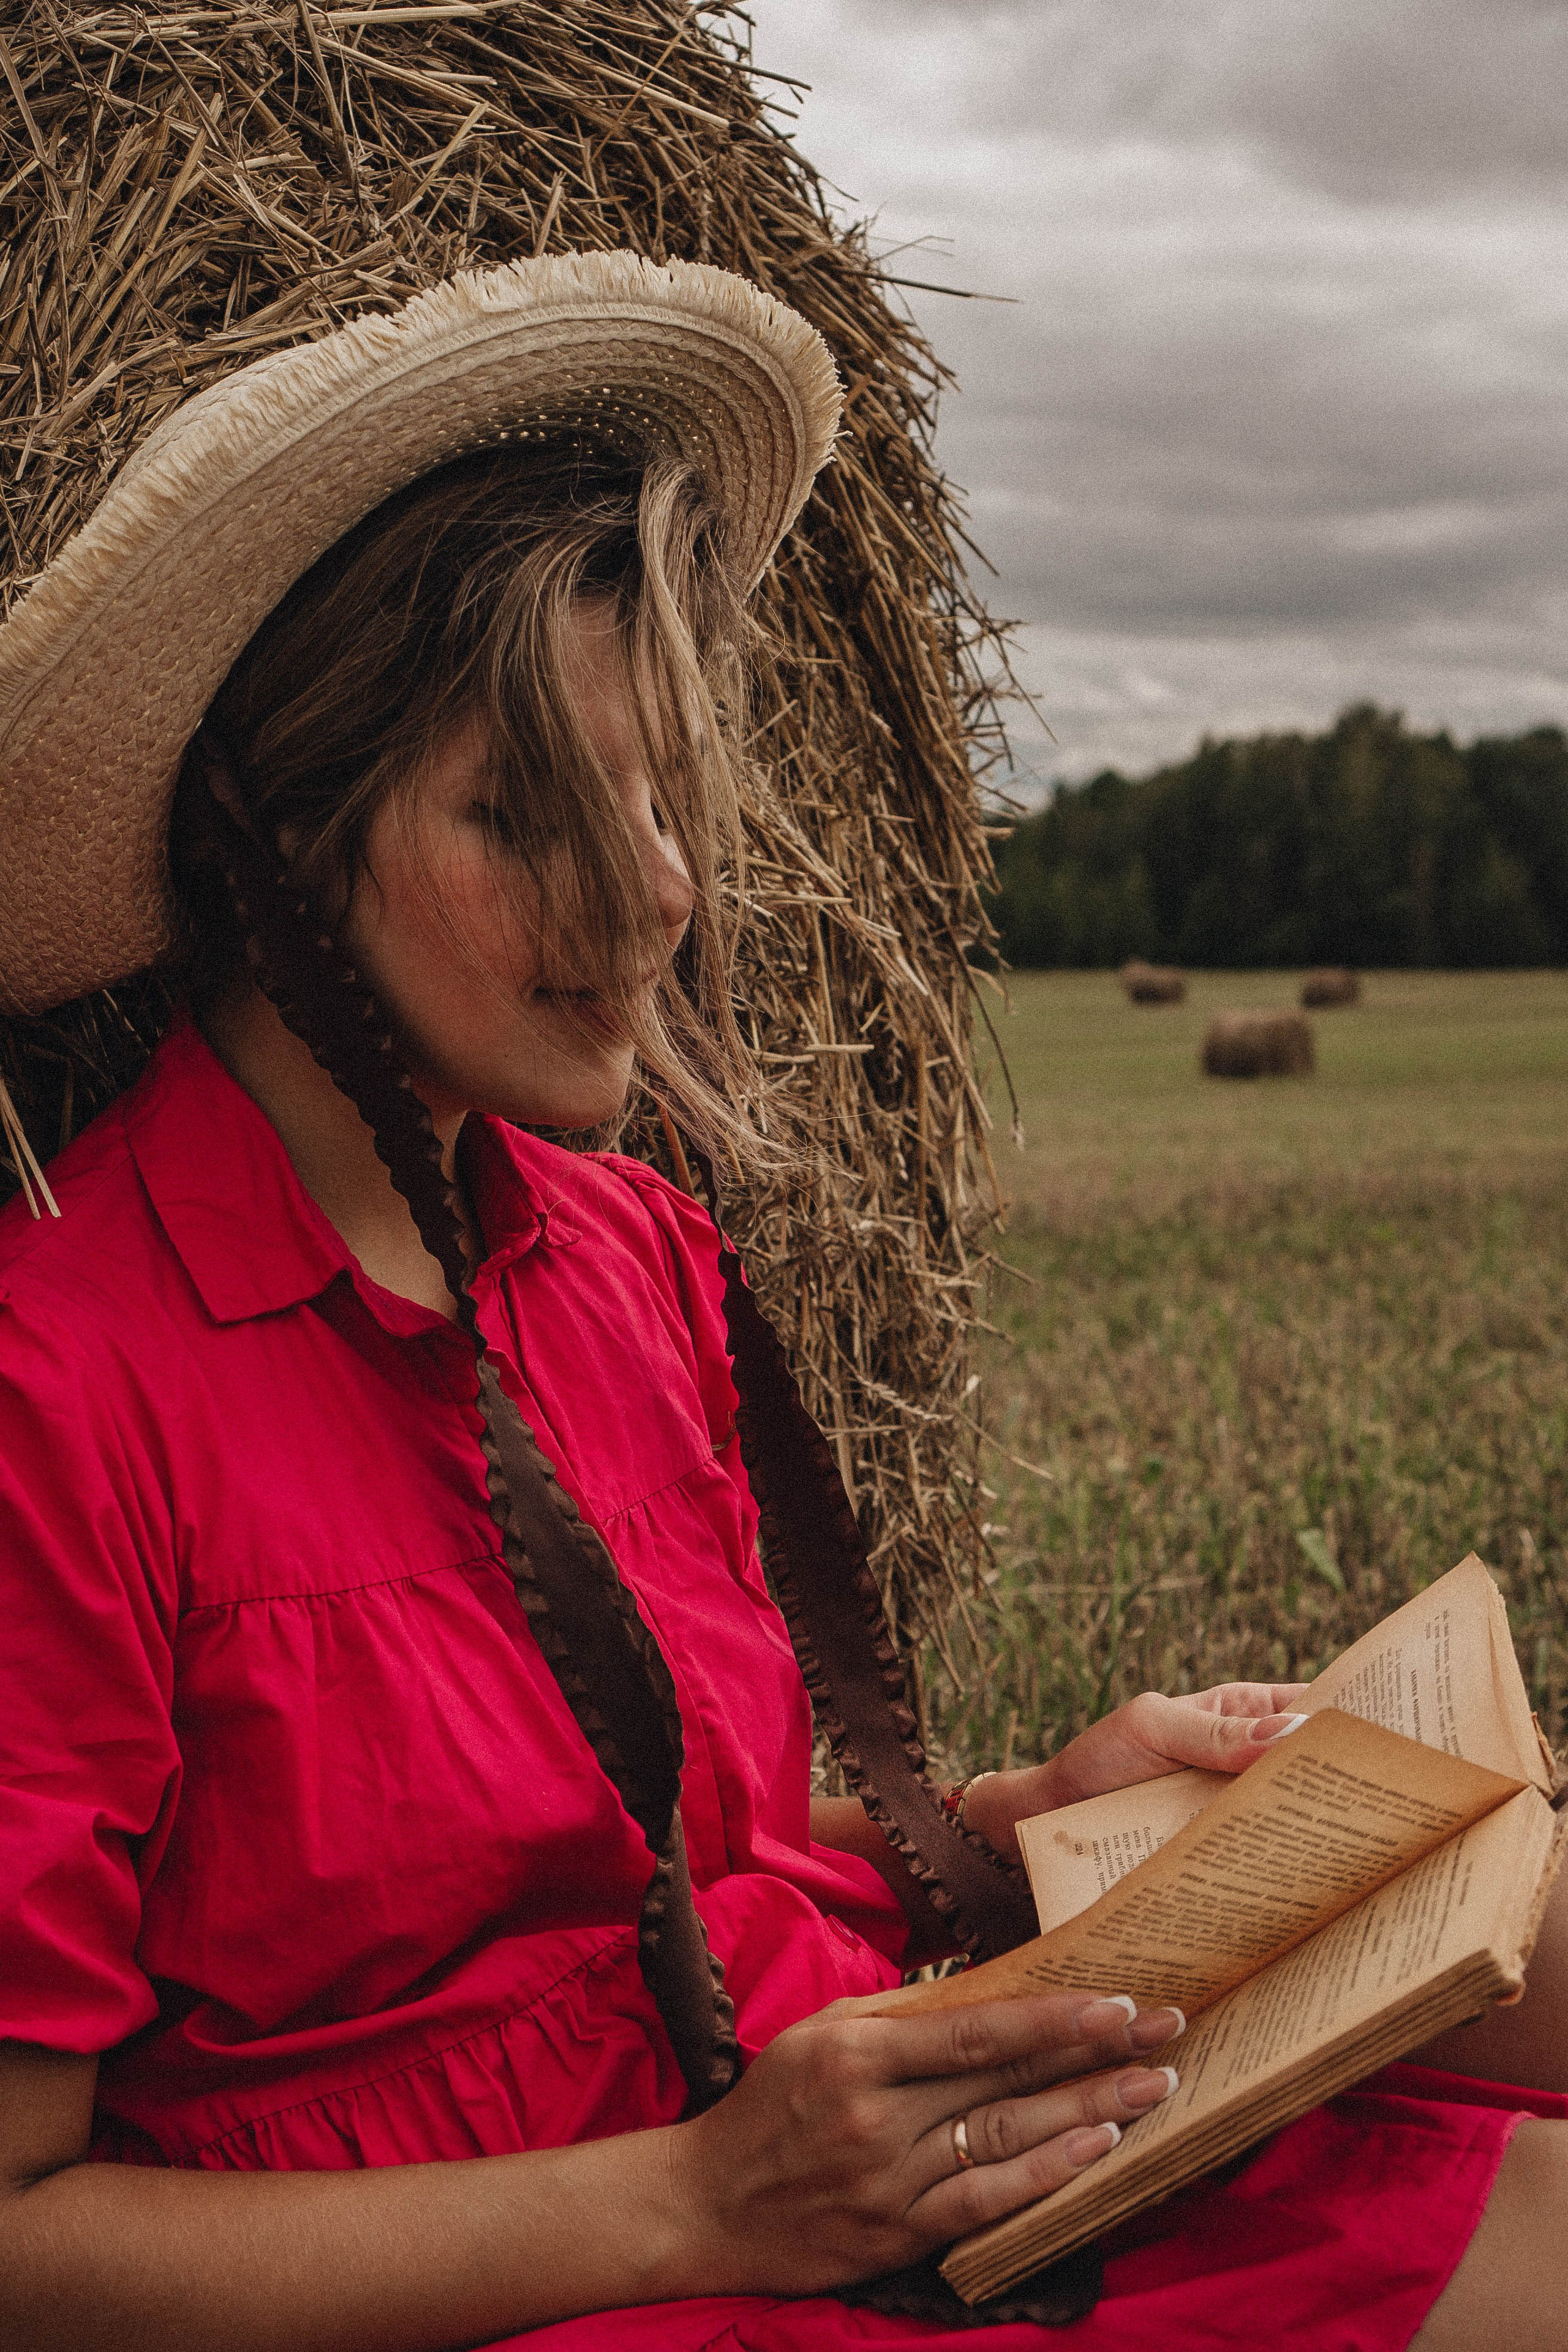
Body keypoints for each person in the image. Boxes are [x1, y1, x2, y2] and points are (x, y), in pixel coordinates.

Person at [0, 254, 1564, 2352]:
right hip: (553, 2280)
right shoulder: (58, 1388)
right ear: (276, 839)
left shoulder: (631, 1261)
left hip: (839, 2119)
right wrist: (697, 2208)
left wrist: (1013, 1827)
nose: (659, 889)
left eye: (661, 797)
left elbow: (641, 1866)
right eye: (525, 812)